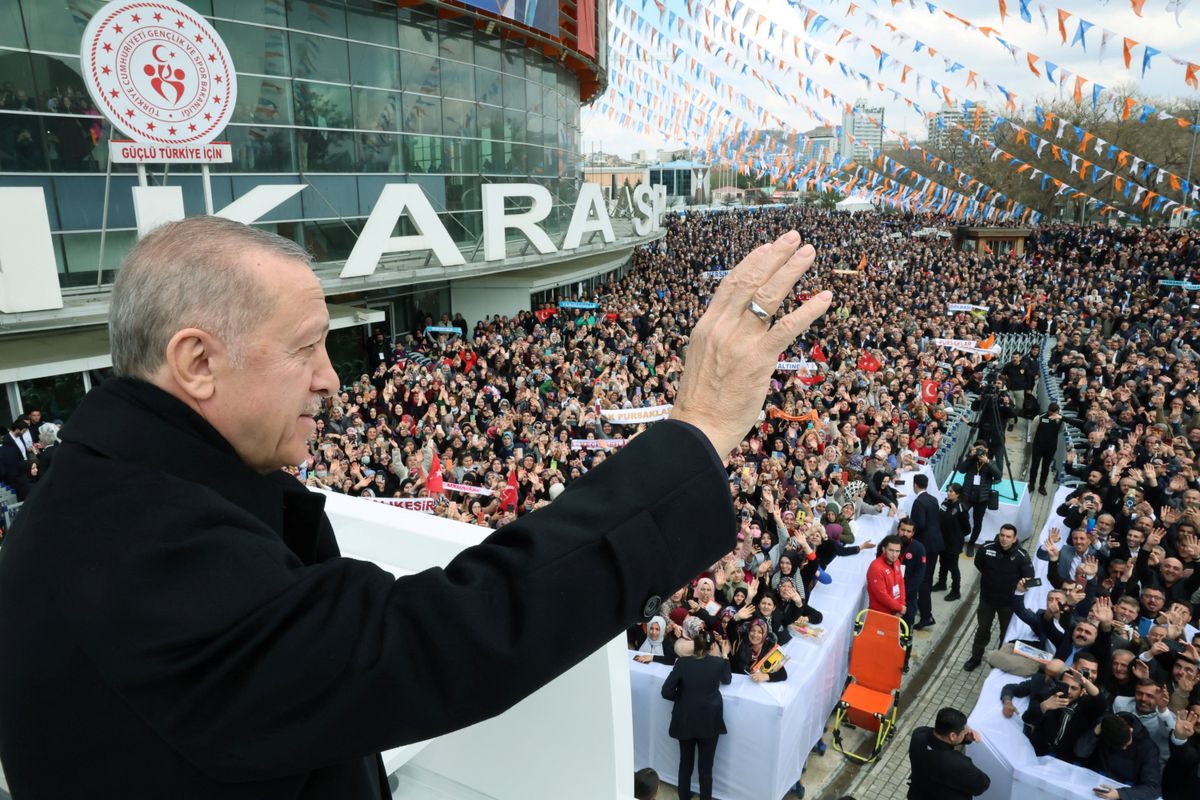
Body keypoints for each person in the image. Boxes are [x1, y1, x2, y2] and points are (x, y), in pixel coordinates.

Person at [0, 217, 834, 797]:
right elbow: (434, 640)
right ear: (196, 362)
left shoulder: (111, 490)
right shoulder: (134, 542)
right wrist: (697, 431)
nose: (331, 377)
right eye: (306, 347)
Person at [660, 625, 732, 800]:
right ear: (712, 647)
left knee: (685, 764)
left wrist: (683, 698)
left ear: (695, 645)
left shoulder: (683, 663)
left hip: (685, 720)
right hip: (709, 722)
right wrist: (725, 655)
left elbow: (666, 691)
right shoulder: (718, 663)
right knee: (705, 769)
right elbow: (727, 679)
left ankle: (684, 797)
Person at [963, 524, 1033, 671]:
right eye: (1002, 535)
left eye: (1008, 537)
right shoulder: (986, 548)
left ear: (1014, 539)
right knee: (982, 630)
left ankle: (999, 661)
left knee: (1005, 634)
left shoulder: (1022, 556)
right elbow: (979, 564)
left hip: (1008, 604)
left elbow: (1029, 578)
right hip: (987, 600)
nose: (1004, 539)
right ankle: (976, 657)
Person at [1073, 713, 1164, 800]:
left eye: (1127, 744)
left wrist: (1120, 794)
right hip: (1095, 782)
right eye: (1121, 746)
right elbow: (1081, 752)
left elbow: (1153, 788)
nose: (1124, 748)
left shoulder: (1148, 748)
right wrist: (1095, 733)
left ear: (1131, 730)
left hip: (1124, 789)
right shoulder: (1104, 728)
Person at [906, 707, 990, 800]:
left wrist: (965, 738)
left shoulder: (919, 734)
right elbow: (982, 785)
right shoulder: (957, 763)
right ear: (952, 736)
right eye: (963, 730)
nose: (966, 731)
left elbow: (939, 738)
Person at [956, 443, 1001, 557]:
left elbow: (998, 476)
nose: (979, 451)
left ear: (986, 449)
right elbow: (960, 470)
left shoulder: (990, 462)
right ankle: (959, 540)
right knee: (960, 516)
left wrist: (987, 462)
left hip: (982, 498)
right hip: (967, 495)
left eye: (981, 449)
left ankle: (971, 544)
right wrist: (970, 456)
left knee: (977, 522)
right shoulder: (971, 460)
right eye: (977, 449)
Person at [933, 482, 969, 601]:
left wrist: (956, 534)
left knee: (953, 567)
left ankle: (955, 590)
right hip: (942, 540)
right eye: (948, 491)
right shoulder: (944, 503)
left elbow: (967, 528)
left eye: (951, 491)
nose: (948, 493)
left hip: (953, 542)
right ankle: (942, 583)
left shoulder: (961, 508)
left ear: (957, 494)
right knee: (943, 562)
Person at [896, 518, 929, 630]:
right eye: (902, 529)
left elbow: (919, 575)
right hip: (889, 594)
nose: (905, 533)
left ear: (913, 533)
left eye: (908, 531)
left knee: (906, 631)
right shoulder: (889, 543)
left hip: (908, 596)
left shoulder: (919, 548)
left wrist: (903, 592)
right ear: (898, 529)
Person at [1028, 402, 1065, 495]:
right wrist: (1034, 442)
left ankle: (1042, 486)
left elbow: (1060, 430)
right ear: (1048, 410)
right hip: (1038, 445)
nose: (1052, 414)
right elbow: (1033, 430)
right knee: (1034, 466)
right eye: (1051, 412)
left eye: (1055, 413)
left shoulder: (1060, 420)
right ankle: (1031, 484)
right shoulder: (1040, 417)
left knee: (1046, 467)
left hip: (1051, 447)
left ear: (1058, 411)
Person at [866, 534, 906, 618]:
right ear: (884, 549)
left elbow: (901, 583)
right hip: (879, 615)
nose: (894, 554)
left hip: (896, 613)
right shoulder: (876, 567)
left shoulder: (897, 562)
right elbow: (881, 595)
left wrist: (902, 604)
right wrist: (899, 608)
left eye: (897, 551)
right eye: (891, 550)